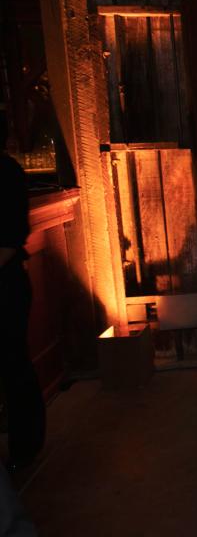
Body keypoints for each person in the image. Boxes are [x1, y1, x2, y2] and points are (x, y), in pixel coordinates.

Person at [0, 114, 45, 476]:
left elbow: (11, 240)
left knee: (14, 366)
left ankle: (25, 446)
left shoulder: (8, 174)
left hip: (7, 284)